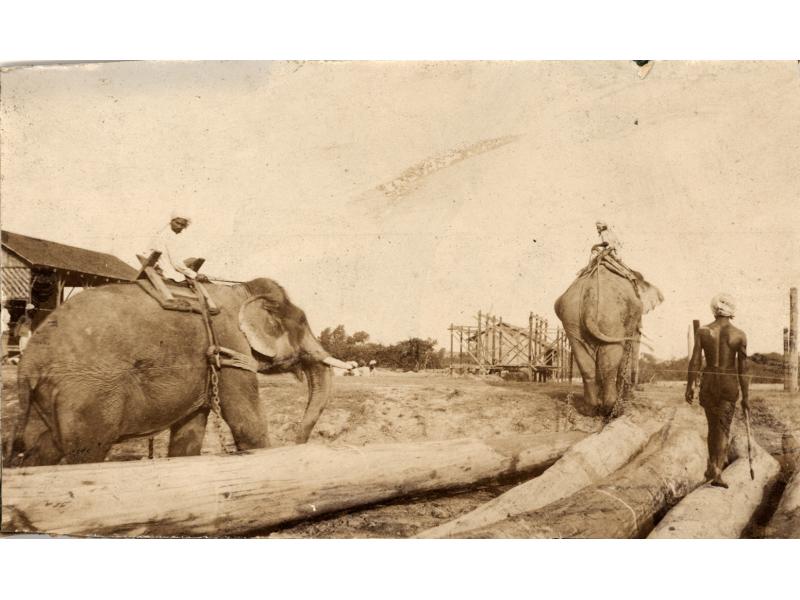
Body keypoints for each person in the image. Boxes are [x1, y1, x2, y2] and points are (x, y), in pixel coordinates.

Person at [685, 293, 749, 488]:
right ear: (732, 310)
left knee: (713, 426)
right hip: (728, 382)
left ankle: (712, 466)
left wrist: (690, 385)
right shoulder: (739, 334)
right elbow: (743, 369)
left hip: (709, 381)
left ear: (714, 309)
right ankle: (717, 472)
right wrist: (746, 397)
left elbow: (695, 360)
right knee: (722, 428)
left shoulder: (704, 331)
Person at [144, 210, 208, 284]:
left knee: (192, 260)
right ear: (171, 221)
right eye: (177, 223)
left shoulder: (166, 233)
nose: (179, 226)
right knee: (187, 276)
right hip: (165, 269)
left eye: (182, 225)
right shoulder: (167, 236)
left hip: (165, 266)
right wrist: (194, 275)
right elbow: (176, 263)